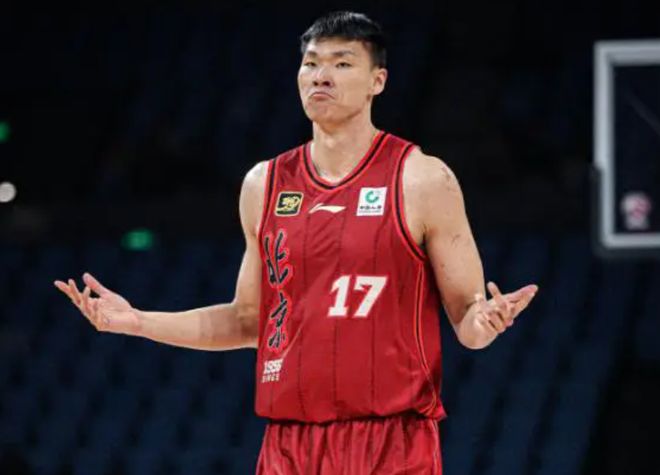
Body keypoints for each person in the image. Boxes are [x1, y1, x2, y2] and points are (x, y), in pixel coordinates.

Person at [55, 11, 538, 474]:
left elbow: (467, 321)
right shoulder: (263, 185)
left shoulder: (423, 179)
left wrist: (486, 322)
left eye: (342, 63)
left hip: (390, 441)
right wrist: (138, 321)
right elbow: (249, 321)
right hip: (289, 445)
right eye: (311, 63)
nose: (320, 76)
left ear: (378, 81)